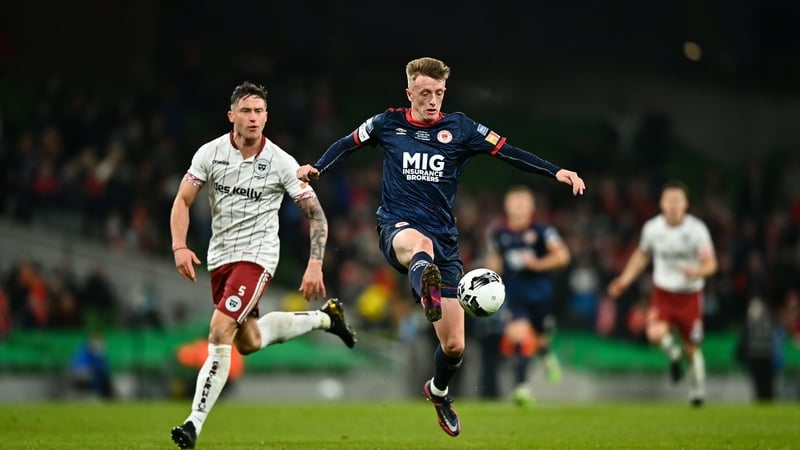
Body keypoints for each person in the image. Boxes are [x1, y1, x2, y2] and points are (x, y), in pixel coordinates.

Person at [297, 57, 585, 436]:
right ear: (409, 93)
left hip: (445, 240)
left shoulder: (461, 128)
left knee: (454, 346)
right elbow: (348, 144)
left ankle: (438, 391)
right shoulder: (388, 122)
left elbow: (510, 152)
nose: (433, 101)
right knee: (418, 245)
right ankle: (425, 288)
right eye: (425, 93)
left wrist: (556, 171)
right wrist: (317, 167)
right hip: (397, 227)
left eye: (439, 93)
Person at [169, 81, 357, 449]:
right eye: (246, 111)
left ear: (266, 117)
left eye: (259, 112)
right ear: (232, 116)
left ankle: (193, 423)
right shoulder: (210, 153)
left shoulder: (282, 163)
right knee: (249, 341)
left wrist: (315, 265)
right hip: (220, 258)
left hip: (257, 258)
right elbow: (182, 199)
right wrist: (179, 245)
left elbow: (317, 217)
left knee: (220, 331)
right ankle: (325, 318)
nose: (253, 118)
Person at [607, 180, 717, 407]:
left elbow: (711, 264)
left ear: (686, 204)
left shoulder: (697, 230)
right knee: (654, 333)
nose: (673, 205)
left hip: (690, 296)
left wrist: (697, 271)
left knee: (692, 349)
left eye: (678, 200)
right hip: (663, 293)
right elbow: (641, 256)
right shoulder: (653, 228)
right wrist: (624, 280)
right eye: (669, 200)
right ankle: (673, 354)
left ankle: (697, 392)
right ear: (661, 203)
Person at [485, 185, 571, 406]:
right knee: (519, 336)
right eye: (514, 201)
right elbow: (494, 261)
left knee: (541, 340)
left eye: (523, 202)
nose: (519, 206)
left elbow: (563, 256)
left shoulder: (543, 230)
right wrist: (488, 280)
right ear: (506, 205)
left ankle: (546, 354)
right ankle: (521, 387)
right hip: (515, 297)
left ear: (531, 206)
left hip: (542, 296)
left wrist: (537, 264)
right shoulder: (499, 233)